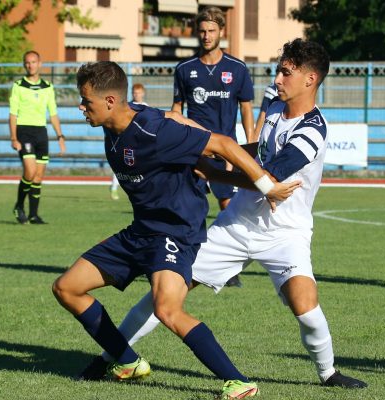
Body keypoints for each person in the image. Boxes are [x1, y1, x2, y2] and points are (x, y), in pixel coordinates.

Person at [81, 39, 368, 390]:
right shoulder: (277, 109)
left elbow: (272, 174)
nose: (277, 79)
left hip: (286, 232)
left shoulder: (313, 129)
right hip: (235, 226)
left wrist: (211, 167)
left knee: (304, 304)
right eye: (279, 70)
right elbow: (257, 152)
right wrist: (216, 151)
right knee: (164, 296)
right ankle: (111, 357)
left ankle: (329, 373)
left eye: (285, 72)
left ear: (310, 79)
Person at [52, 61, 300, 399]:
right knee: (67, 287)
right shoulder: (120, 124)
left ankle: (238, 381)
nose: (81, 108)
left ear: (110, 101)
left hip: (174, 234)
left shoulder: (154, 131)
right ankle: (126, 361)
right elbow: (198, 160)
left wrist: (265, 186)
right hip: (140, 231)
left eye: (86, 102)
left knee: (166, 309)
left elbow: (224, 145)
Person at [172, 6, 256, 212]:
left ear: (221, 32)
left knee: (230, 206)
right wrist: (174, 141)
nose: (206, 36)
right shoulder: (184, 69)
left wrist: (251, 146)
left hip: (226, 150)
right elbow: (176, 108)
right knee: (189, 206)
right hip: (195, 150)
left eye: (211, 31)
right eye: (202, 31)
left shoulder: (237, 68)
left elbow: (246, 109)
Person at [9, 50, 66, 224]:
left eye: (33, 62)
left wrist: (60, 136)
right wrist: (13, 138)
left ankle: (33, 214)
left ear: (40, 64)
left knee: (38, 176)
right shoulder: (18, 86)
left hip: (41, 133)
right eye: (27, 62)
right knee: (30, 171)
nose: (30, 65)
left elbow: (53, 114)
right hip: (24, 132)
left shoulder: (48, 87)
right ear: (24, 64)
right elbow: (13, 114)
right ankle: (19, 206)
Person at [110, 83, 148, 201]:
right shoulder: (128, 106)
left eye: (139, 92)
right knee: (123, 165)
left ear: (143, 93)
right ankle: (114, 187)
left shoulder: (147, 106)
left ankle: (140, 188)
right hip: (127, 139)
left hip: (140, 141)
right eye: (135, 93)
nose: (137, 95)